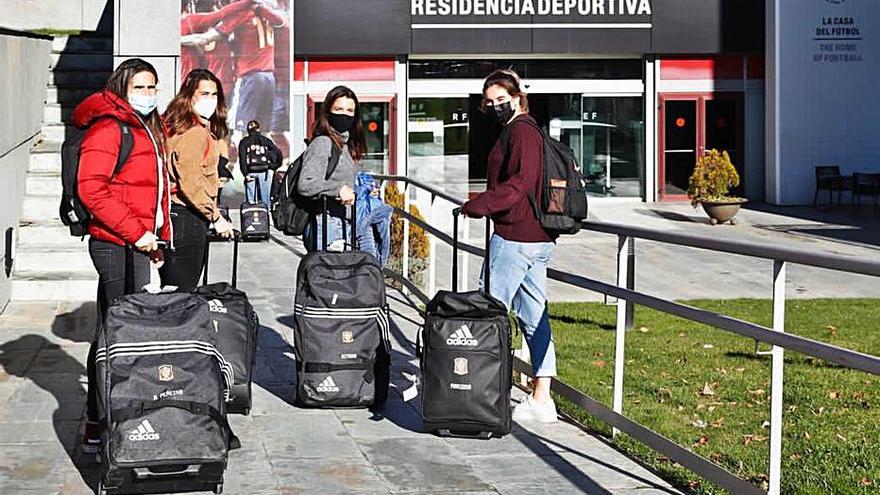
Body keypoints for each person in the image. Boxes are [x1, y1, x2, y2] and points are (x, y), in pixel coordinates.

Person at [73, 58, 171, 452]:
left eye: (153, 87)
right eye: (140, 88)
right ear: (121, 89)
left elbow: (156, 188)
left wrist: (159, 237)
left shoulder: (146, 126)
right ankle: (100, 421)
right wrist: (138, 234)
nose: (148, 95)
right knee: (114, 334)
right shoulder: (109, 127)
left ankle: (125, 410)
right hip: (116, 243)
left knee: (129, 332)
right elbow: (91, 189)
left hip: (140, 242)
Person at [460, 69, 559, 423]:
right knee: (534, 317)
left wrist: (478, 205)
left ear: (517, 98)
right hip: (534, 239)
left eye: (502, 99)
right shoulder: (521, 130)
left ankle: (483, 392)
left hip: (515, 238)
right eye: (489, 102)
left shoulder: (521, 132)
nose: (495, 106)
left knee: (488, 313)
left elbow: (518, 185)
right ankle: (542, 397)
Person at [161, 69, 234, 291]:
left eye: (214, 95)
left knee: (173, 288)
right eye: (204, 94)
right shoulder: (193, 132)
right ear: (189, 95)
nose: (210, 100)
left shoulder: (178, 125)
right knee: (183, 291)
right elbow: (191, 183)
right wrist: (215, 216)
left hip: (177, 215)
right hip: (187, 215)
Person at [297, 85, 366, 251]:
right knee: (330, 276)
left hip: (342, 222)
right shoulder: (323, 143)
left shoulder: (345, 144)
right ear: (327, 112)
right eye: (338, 109)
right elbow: (306, 183)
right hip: (328, 223)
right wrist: (338, 189)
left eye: (350, 111)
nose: (344, 115)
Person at [238, 119, 282, 207]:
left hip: (250, 172)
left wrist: (245, 174)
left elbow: (242, 159)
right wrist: (273, 166)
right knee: (265, 201)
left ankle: (251, 217)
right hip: (264, 171)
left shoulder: (244, 142)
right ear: (258, 129)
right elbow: (278, 153)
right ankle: (265, 217)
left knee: (251, 201)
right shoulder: (266, 140)